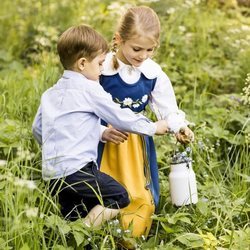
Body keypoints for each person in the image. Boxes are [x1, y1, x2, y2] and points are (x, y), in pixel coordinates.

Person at [32, 24, 169, 228]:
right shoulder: (90, 89)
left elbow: (38, 128)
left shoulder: (50, 93)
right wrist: (153, 127)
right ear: (82, 63)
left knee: (75, 212)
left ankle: (73, 235)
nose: (101, 70)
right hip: (78, 170)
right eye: (100, 64)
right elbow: (120, 116)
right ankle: (80, 232)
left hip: (52, 174)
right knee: (119, 196)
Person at [97, 6, 194, 237]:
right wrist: (101, 129)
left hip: (134, 145)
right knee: (103, 189)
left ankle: (131, 237)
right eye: (137, 48)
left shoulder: (152, 73)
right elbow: (82, 105)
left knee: (138, 192)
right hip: (103, 142)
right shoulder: (101, 68)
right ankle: (99, 234)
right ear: (119, 40)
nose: (143, 55)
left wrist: (179, 126)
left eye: (150, 49)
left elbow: (167, 107)